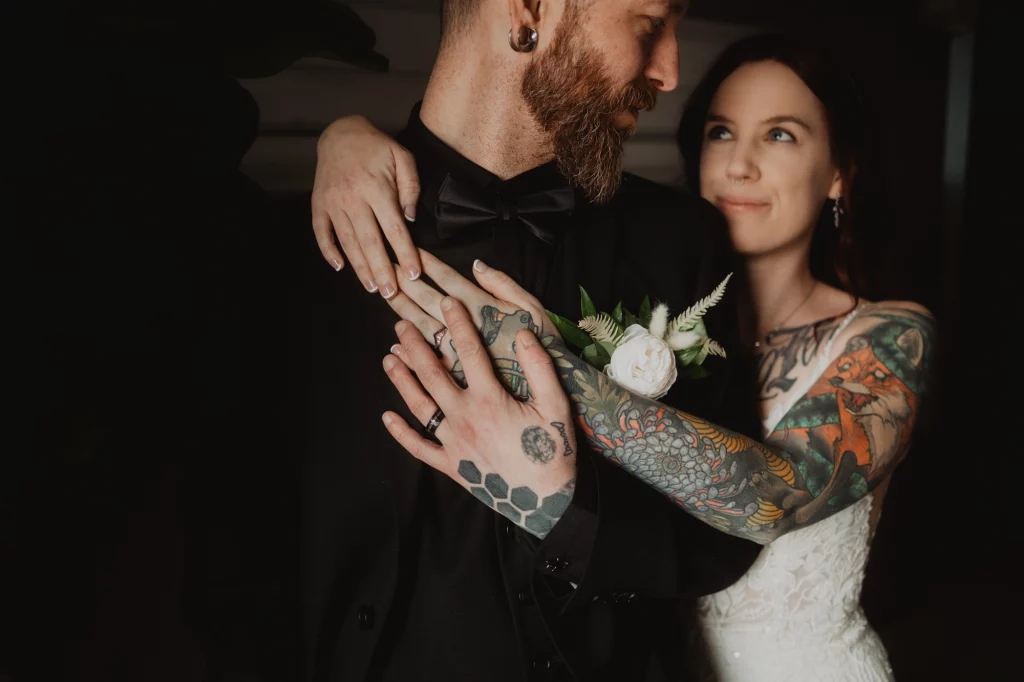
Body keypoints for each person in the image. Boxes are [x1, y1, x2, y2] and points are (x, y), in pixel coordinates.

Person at [312, 32, 935, 682]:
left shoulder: (893, 335)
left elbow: (775, 501)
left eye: (780, 135)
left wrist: (538, 361)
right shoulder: (656, 271)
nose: (739, 165)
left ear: (839, 169)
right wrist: (344, 135)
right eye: (721, 132)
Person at [298, 1, 763, 681]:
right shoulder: (300, 248)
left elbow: (731, 527)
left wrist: (571, 515)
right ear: (527, 10)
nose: (670, 71)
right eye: (647, 25)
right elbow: (234, 567)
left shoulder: (681, 242)